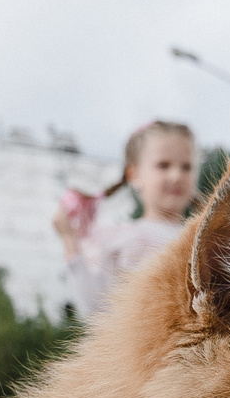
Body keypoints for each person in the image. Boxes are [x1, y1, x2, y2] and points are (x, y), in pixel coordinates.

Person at [55, 120, 197, 318]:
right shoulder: (122, 239)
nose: (176, 175)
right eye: (163, 165)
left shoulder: (206, 236)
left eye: (186, 167)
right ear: (134, 175)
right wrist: (69, 240)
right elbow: (94, 309)